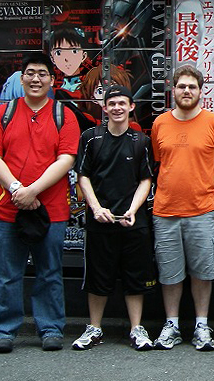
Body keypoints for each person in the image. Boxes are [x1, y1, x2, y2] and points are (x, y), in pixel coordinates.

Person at [0, 53, 80, 353]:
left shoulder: (63, 115)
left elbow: (66, 159)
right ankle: (3, 329)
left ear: (52, 80)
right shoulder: (2, 114)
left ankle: (51, 327)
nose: (36, 79)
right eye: (30, 73)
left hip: (51, 211)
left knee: (49, 272)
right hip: (7, 208)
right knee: (7, 272)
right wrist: (16, 188)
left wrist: (33, 190)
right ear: (21, 78)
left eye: (42, 74)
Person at [150, 65, 214, 351]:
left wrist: (206, 182)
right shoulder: (160, 123)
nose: (187, 91)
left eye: (192, 87)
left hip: (203, 208)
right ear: (174, 90)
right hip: (166, 210)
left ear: (201, 90)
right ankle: (171, 325)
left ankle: (201, 325)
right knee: (169, 272)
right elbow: (160, 162)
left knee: (203, 271)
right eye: (182, 86)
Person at [71, 85, 157, 351]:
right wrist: (96, 208)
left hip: (134, 221)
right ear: (104, 108)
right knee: (98, 277)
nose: (117, 108)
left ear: (132, 107)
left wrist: (132, 209)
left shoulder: (140, 140)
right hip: (100, 221)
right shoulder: (91, 138)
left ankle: (136, 329)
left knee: (135, 277)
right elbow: (82, 176)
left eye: (123, 103)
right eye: (112, 104)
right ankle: (94, 329)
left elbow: (146, 179)